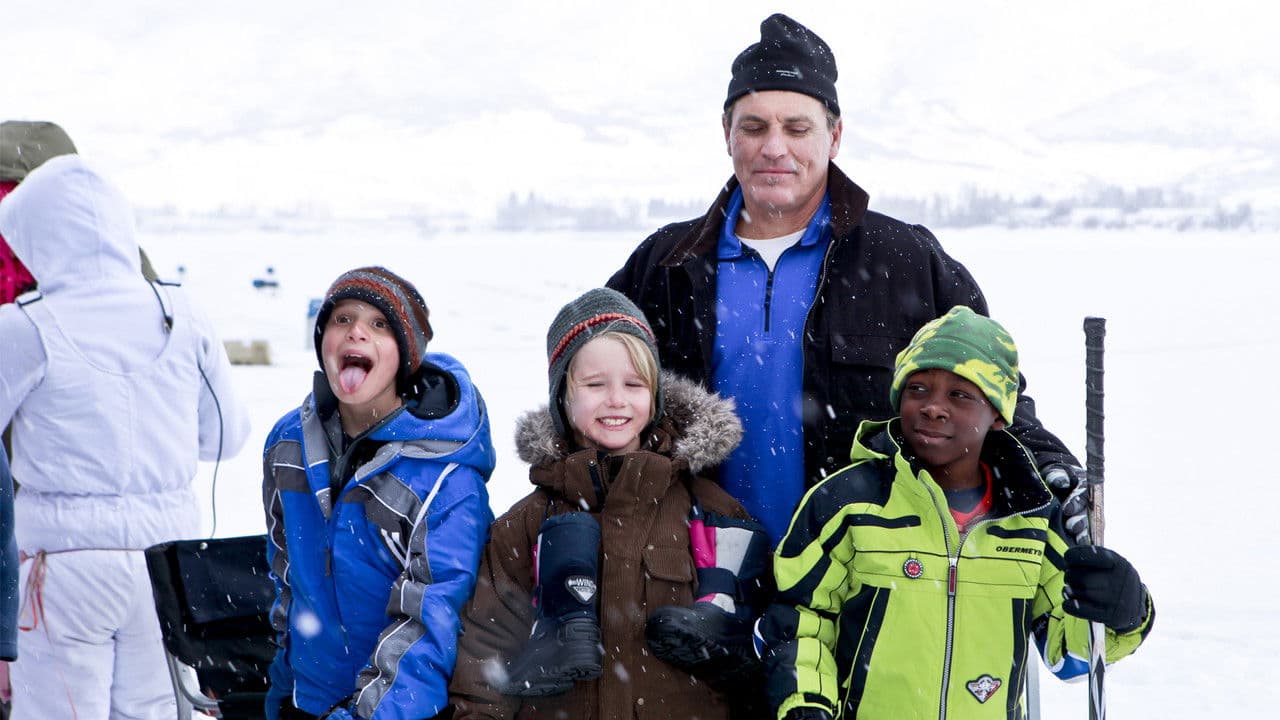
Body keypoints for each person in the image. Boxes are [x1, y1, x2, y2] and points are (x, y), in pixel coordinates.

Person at [606, 14, 1084, 548]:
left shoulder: (905, 260)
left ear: (834, 136)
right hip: (694, 568)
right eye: (754, 127)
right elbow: (589, 395)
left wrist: (1052, 471)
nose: (774, 148)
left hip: (861, 569)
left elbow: (994, 395)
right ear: (727, 134)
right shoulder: (666, 265)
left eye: (797, 128)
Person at [756, 307, 1154, 720]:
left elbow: (1071, 656)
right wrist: (806, 704)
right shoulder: (848, 504)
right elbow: (799, 621)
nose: (933, 407)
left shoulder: (1031, 518)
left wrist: (1122, 613)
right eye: (917, 389)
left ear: (998, 413)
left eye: (960, 394)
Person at [0, 154, 251, 718]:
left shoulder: (25, 325)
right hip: (166, 568)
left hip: (62, 567)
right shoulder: (181, 313)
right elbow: (225, 437)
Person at [449, 288, 771, 720]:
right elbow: (483, 660)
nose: (616, 399)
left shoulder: (713, 513)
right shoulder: (524, 525)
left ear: (655, 396)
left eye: (634, 384)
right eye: (595, 384)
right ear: (563, 397)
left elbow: (757, 654)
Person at [263, 267, 495, 720]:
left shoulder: (445, 477)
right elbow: (287, 576)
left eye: (380, 324)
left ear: (406, 355)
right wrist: (283, 687)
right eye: (342, 319)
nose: (357, 333)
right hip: (309, 702)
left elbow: (433, 620)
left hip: (401, 710)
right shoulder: (287, 444)